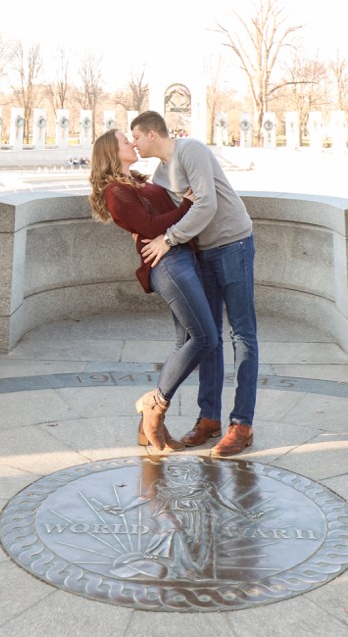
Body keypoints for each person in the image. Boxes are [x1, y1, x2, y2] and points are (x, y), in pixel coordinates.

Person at [133, 109, 258, 457]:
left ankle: (242, 424)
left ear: (153, 134)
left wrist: (169, 239)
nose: (135, 144)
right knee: (210, 336)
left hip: (234, 245)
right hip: (202, 252)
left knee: (242, 333)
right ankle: (210, 419)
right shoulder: (159, 174)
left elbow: (206, 203)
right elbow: (161, 214)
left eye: (137, 138)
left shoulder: (191, 150)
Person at [89, 129, 219, 455]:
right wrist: (189, 203)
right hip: (169, 266)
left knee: (185, 343)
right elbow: (149, 226)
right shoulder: (116, 192)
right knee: (205, 338)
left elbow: (158, 216)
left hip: (182, 258)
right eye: (124, 140)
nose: (132, 143)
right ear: (111, 152)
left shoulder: (137, 182)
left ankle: (150, 427)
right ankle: (155, 403)